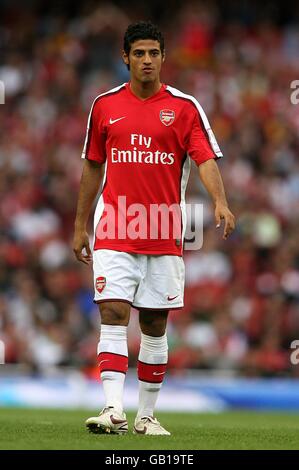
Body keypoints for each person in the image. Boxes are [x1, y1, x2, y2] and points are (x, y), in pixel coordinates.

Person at [73, 21, 235, 436]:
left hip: (163, 230)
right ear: (125, 57)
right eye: (139, 53)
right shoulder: (104, 105)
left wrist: (219, 200)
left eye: (154, 53)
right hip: (114, 225)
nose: (147, 60)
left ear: (164, 57)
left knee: (154, 323)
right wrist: (80, 226)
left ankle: (146, 416)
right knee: (112, 311)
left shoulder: (184, 107)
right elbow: (92, 166)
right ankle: (112, 409)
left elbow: (205, 158)